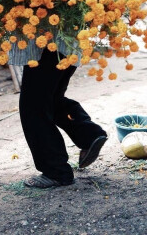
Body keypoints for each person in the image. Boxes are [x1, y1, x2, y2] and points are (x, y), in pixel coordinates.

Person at [18, 48, 107, 188]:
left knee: (33, 106)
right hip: (65, 41)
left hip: (47, 41)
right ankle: (89, 135)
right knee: (50, 99)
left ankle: (55, 171)